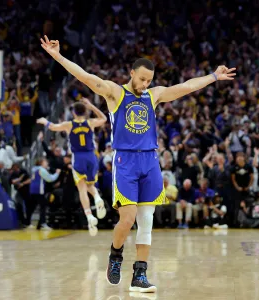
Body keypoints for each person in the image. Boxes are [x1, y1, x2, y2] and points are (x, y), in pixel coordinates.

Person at [40, 35, 235, 293]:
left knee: (146, 220)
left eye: (149, 81)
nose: (145, 84)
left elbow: (186, 87)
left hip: (150, 161)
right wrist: (57, 56)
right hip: (125, 161)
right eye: (142, 79)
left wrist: (213, 76)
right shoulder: (115, 92)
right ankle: (115, 254)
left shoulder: (153, 95)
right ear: (131, 73)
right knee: (128, 217)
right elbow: (87, 77)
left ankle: (139, 275)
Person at [37, 98, 108, 236]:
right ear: (84, 111)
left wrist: (44, 121)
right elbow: (104, 118)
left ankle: (89, 216)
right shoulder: (90, 122)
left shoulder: (69, 124)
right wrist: (92, 106)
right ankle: (97, 198)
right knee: (90, 185)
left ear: (74, 113)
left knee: (82, 187)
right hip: (91, 156)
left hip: (78, 157)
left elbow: (52, 127)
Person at [30, 157, 61, 230]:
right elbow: (50, 179)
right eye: (45, 162)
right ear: (41, 163)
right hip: (39, 191)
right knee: (43, 207)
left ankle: (36, 224)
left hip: (32, 190)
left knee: (34, 207)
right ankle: (43, 224)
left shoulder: (34, 169)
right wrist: (57, 173)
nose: (47, 163)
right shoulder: (42, 170)